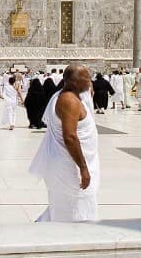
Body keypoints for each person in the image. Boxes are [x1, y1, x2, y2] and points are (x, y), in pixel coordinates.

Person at [29, 64, 99, 222]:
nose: (89, 81)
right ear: (74, 81)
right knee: (74, 211)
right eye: (86, 78)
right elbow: (70, 137)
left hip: (69, 164)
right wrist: (83, 168)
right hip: (70, 167)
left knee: (65, 208)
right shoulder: (69, 101)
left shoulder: (72, 97)